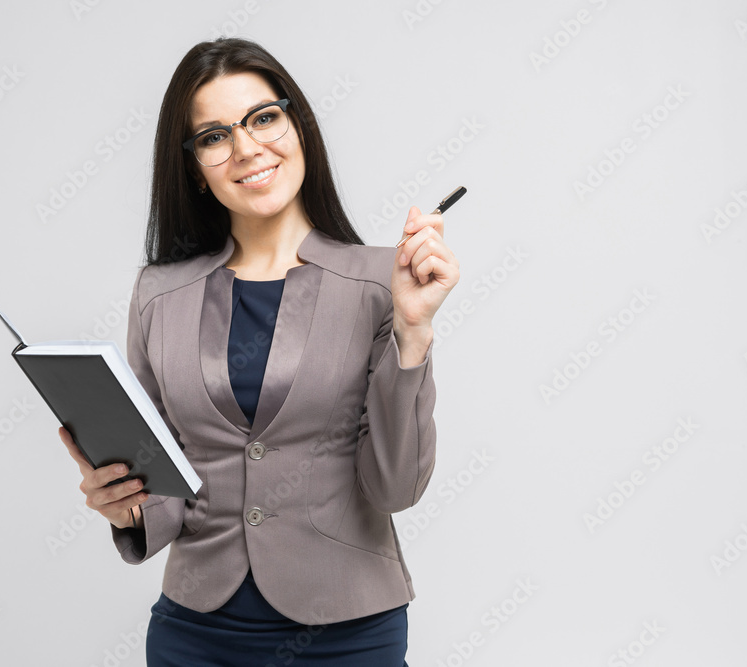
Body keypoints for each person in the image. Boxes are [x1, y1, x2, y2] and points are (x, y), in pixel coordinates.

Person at [58, 36, 460, 666]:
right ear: (194, 165)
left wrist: (413, 331)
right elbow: (166, 478)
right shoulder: (160, 293)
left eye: (263, 117)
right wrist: (126, 503)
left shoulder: (383, 284)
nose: (247, 147)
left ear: (297, 124)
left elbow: (396, 486)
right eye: (215, 136)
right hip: (195, 632)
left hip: (347, 633)